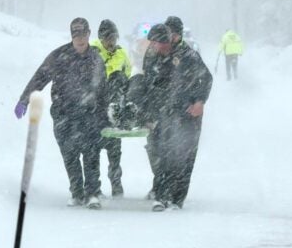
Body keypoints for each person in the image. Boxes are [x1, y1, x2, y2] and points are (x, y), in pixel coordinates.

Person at [13, 18, 107, 209]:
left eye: (83, 35)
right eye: (75, 35)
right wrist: (24, 99)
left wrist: (105, 116)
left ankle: (92, 193)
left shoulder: (96, 58)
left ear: (89, 34)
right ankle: (76, 192)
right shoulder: (59, 57)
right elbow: (39, 78)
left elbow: (104, 91)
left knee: (91, 154)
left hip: (89, 114)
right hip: (64, 113)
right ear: (71, 36)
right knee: (70, 154)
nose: (79, 39)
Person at [141, 17, 213, 211]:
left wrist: (199, 101)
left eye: (172, 33)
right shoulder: (153, 52)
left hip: (187, 113)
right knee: (158, 150)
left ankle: (175, 198)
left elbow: (206, 78)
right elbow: (149, 81)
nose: (169, 36)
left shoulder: (189, 55)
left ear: (178, 35)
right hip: (162, 112)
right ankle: (160, 190)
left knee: (182, 155)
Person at [90, 19, 132, 198]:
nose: (111, 42)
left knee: (115, 151)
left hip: (114, 104)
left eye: (114, 37)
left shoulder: (121, 54)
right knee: (93, 150)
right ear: (101, 38)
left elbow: (127, 74)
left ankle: (116, 183)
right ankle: (94, 187)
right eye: (108, 38)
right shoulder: (92, 52)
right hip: (96, 105)